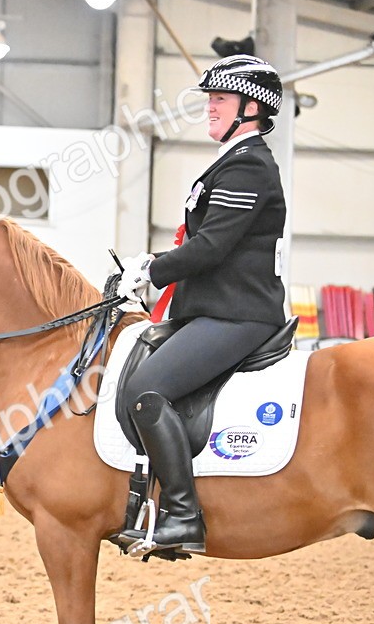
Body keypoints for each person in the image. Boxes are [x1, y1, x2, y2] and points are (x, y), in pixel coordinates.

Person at [115, 54, 289, 554]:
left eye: (219, 99)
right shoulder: (231, 160)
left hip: (239, 313)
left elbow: (211, 247)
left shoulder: (250, 165)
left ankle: (182, 516)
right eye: (210, 100)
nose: (209, 108)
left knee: (148, 390)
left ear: (251, 107)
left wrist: (152, 268)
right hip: (211, 308)